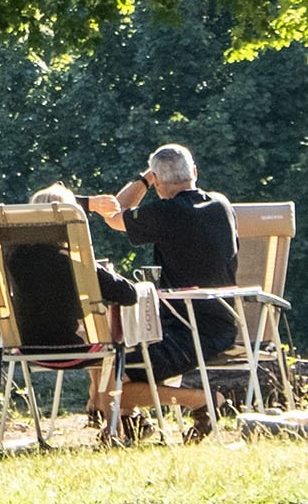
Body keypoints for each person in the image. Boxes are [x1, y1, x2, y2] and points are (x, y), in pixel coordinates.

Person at [88, 143, 241, 436]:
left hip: (187, 331)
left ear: (158, 182)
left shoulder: (166, 212)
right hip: (224, 323)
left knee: (109, 377)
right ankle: (133, 423)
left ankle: (202, 401)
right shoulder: (222, 205)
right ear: (194, 172)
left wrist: (145, 179)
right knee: (115, 363)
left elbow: (113, 214)